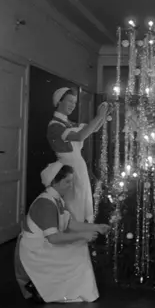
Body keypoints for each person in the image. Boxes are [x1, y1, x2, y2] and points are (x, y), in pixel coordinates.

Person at [15, 162, 110, 303]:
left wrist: (96, 227)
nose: (71, 185)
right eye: (67, 182)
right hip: (35, 250)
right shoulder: (45, 203)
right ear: (54, 182)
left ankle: (74, 289)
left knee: (80, 247)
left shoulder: (57, 199)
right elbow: (53, 238)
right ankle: (62, 290)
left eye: (71, 181)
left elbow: (70, 224)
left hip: (43, 244)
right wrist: (83, 235)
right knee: (78, 249)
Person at [47, 87, 109, 223]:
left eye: (74, 102)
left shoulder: (69, 123)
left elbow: (94, 128)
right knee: (73, 202)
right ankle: (72, 230)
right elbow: (80, 136)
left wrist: (105, 113)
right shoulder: (55, 125)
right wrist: (99, 116)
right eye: (70, 101)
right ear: (59, 101)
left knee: (81, 199)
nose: (73, 105)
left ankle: (79, 228)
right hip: (67, 168)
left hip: (78, 166)